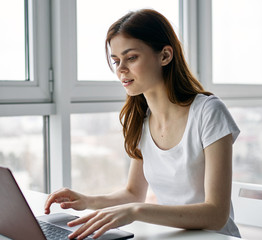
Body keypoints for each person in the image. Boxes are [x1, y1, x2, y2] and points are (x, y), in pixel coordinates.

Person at [44, 9, 241, 239]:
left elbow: (216, 214)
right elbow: (133, 193)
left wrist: (137, 211)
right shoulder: (141, 119)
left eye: (131, 57)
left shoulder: (208, 112)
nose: (121, 69)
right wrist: (88, 200)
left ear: (165, 56)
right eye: (116, 60)